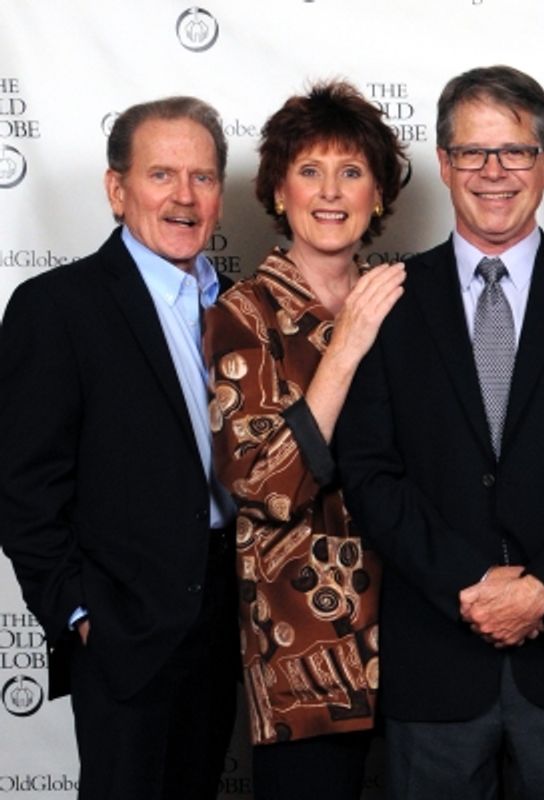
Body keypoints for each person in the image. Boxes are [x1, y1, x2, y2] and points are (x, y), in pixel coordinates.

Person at [336, 65, 544, 800]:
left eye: (514, 151)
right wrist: (472, 585)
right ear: (444, 164)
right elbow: (370, 474)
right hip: (436, 673)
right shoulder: (390, 302)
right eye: (472, 153)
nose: (493, 172)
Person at [0, 97, 238, 799]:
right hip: (124, 627)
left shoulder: (236, 305)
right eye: (162, 174)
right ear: (116, 189)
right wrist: (79, 614)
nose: (185, 197)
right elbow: (21, 486)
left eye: (202, 177)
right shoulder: (57, 307)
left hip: (226, 617)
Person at [204, 81, 406, 800]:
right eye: (309, 171)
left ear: (378, 194)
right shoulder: (245, 311)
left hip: (422, 635)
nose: (331, 191)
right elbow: (263, 482)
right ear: (278, 192)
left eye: (351, 171)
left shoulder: (403, 300)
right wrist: (345, 347)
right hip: (304, 654)